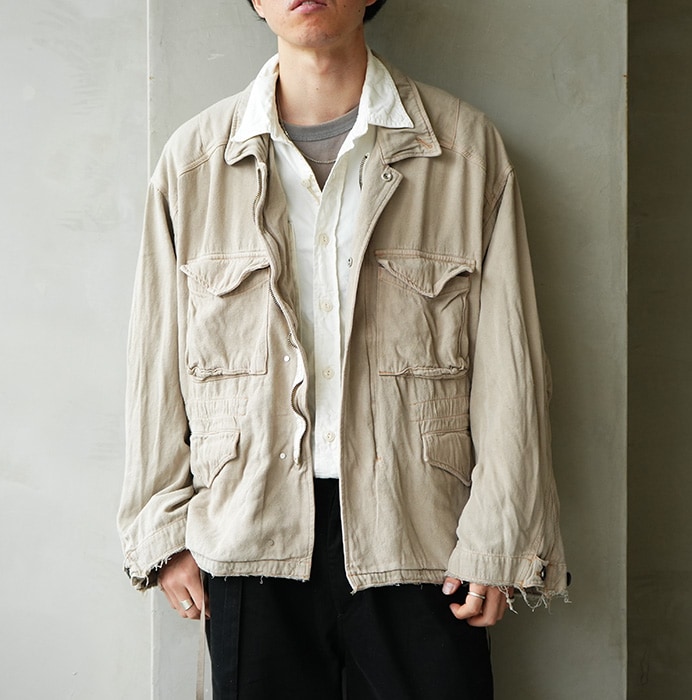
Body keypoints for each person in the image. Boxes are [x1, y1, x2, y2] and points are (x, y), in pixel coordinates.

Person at [118, 1, 568, 698]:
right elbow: (156, 359)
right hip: (248, 535)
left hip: (423, 536)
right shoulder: (193, 163)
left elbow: (512, 360)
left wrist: (499, 535)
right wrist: (162, 531)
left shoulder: (464, 151)